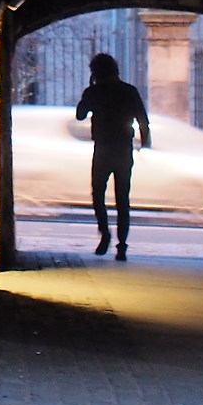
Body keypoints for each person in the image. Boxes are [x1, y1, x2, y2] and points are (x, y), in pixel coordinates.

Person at [75, 51, 152, 260]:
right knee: (122, 198)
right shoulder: (129, 91)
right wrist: (145, 142)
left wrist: (90, 88)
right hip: (123, 149)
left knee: (98, 194)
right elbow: (142, 119)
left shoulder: (94, 92)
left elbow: (80, 115)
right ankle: (122, 245)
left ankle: (105, 233)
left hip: (102, 148)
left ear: (95, 72)